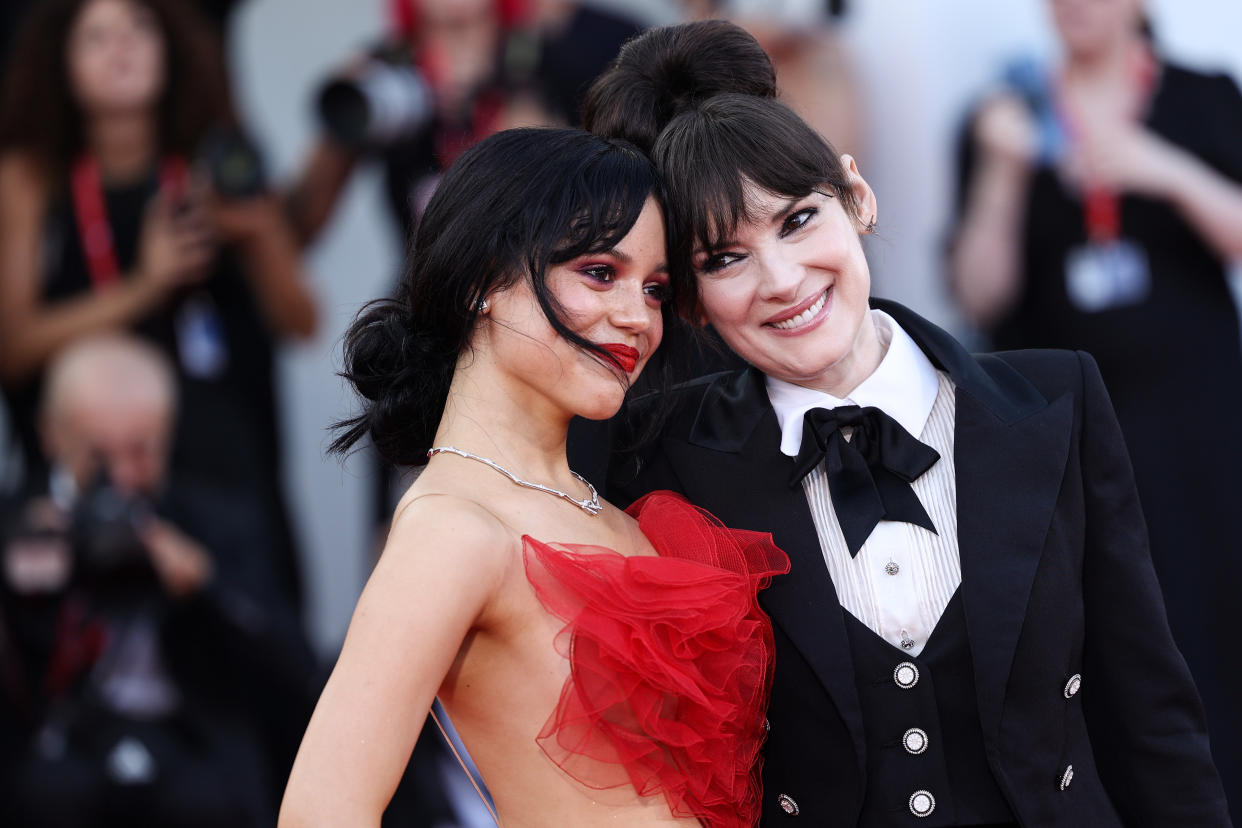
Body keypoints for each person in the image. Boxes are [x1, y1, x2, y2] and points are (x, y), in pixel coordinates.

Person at [583, 20, 1231, 826]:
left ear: (857, 195)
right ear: (687, 298)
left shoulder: (1059, 402)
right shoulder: (665, 460)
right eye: (725, 259)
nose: (782, 280)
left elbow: (1151, 722)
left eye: (797, 220)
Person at [279, 127, 789, 827]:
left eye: (655, 289)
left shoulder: (617, 512)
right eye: (599, 273)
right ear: (482, 280)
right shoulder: (451, 528)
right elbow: (320, 814)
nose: (636, 317)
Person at [948, 2, 1242, 816]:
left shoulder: (1200, 95)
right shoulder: (1003, 112)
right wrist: (1004, 171)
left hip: (1202, 427)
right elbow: (977, 292)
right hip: (1065, 433)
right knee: (1101, 631)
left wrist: (1161, 168)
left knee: (1214, 615)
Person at [0, 0, 316, 608]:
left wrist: (255, 231)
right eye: (96, 36)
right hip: (94, 466)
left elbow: (302, 320)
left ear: (172, 46)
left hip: (223, 470)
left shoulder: (219, 159)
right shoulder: (32, 176)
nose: (122, 47)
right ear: (58, 61)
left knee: (248, 659)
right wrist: (145, 286)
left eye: (139, 28)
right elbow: (13, 349)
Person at [0, 334, 317, 827]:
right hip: (58, 746)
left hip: (189, 746)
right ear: (50, 435)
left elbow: (295, 668)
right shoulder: (21, 526)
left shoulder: (215, 521)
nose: (122, 479)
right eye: (98, 457)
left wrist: (204, 584)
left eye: (141, 452)